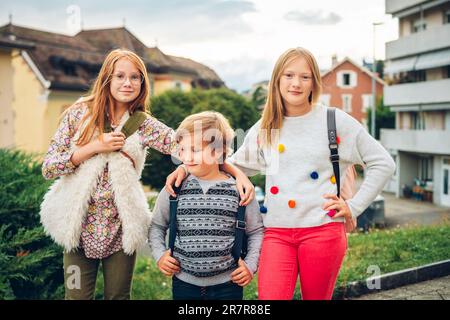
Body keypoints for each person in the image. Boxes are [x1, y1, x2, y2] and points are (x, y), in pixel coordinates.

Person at [40, 49, 254, 300]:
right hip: (77, 226)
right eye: (120, 76)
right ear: (107, 79)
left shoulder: (143, 124)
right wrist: (94, 147)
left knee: (119, 296)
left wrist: (236, 173)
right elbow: (49, 167)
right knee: (75, 296)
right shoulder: (79, 115)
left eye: (135, 77)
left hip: (121, 228)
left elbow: (194, 150)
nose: (127, 83)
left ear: (143, 83)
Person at [150, 111, 264, 300]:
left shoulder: (239, 189)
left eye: (194, 150)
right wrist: (160, 255)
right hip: (184, 283)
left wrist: (250, 265)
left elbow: (256, 231)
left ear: (217, 151)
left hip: (228, 284)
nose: (186, 156)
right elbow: (157, 225)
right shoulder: (174, 187)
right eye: (183, 149)